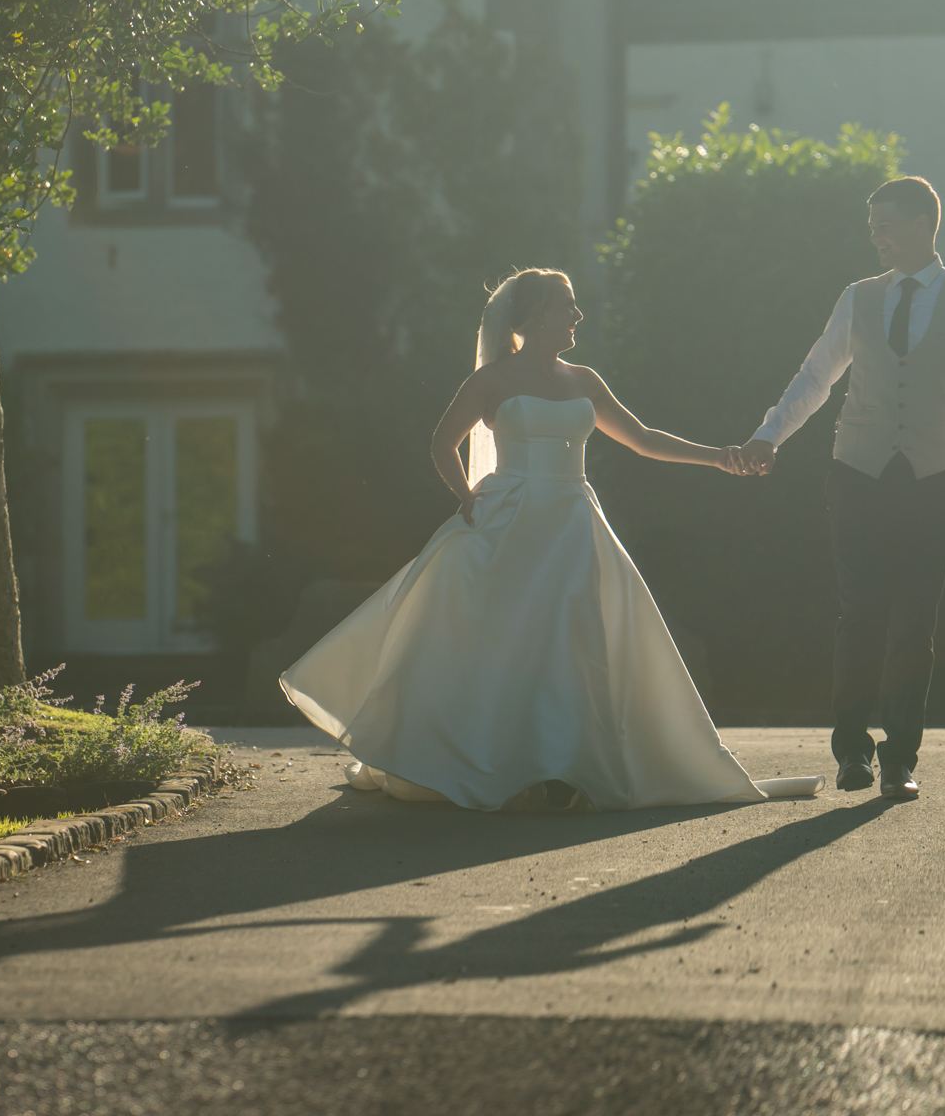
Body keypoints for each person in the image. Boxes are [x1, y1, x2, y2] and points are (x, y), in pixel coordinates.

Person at [280, 268, 819, 811]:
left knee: (572, 639)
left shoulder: (583, 379)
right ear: (537, 314)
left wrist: (719, 458)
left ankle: (566, 761)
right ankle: (495, 758)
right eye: (568, 305)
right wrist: (466, 497)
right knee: (499, 639)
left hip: (571, 522)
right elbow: (444, 443)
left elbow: (642, 438)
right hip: (507, 518)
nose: (577, 316)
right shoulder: (490, 380)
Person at [734, 176, 945, 801]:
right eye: (872, 228)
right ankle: (852, 754)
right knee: (860, 612)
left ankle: (900, 759)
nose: (876, 238)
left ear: (922, 223)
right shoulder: (857, 297)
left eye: (886, 225)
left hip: (934, 477)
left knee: (915, 620)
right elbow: (816, 376)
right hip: (856, 473)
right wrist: (768, 436)